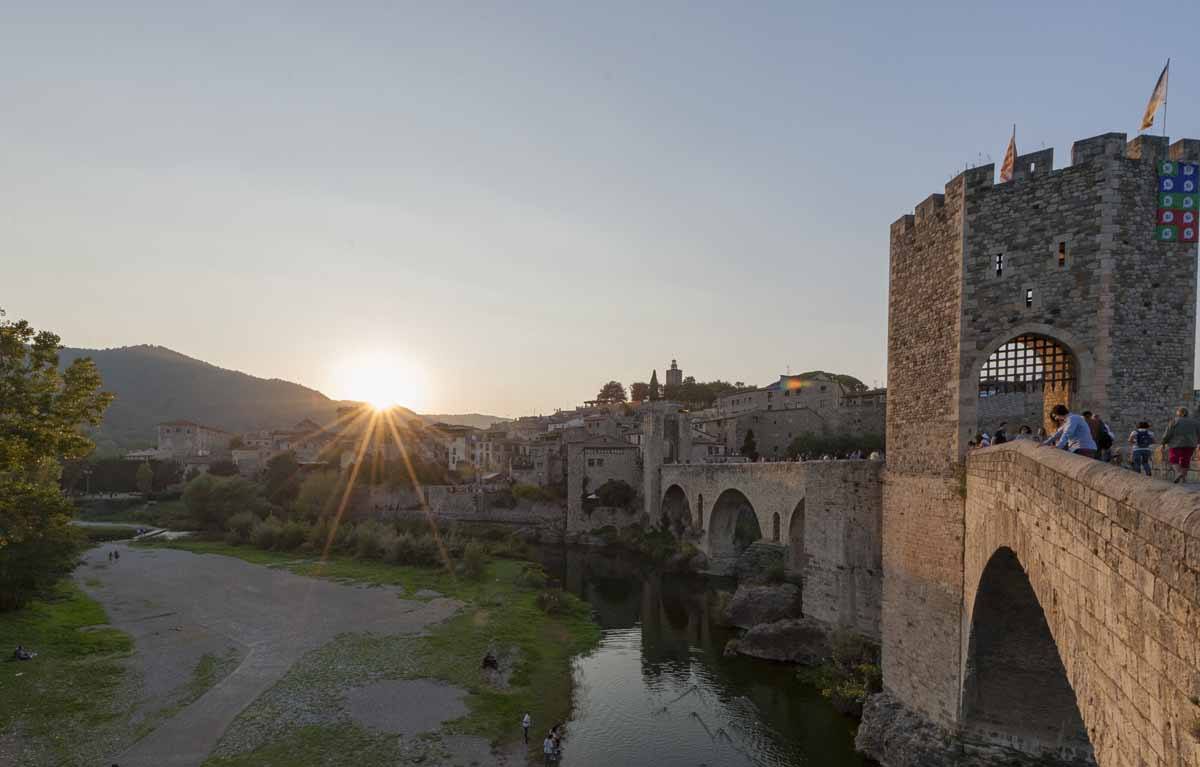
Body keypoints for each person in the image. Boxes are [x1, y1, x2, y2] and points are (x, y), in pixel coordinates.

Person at [1161, 407, 1200, 484]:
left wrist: (1163, 443)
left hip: (1176, 444)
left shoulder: (1174, 421)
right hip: (1190, 444)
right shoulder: (1195, 422)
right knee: (1185, 460)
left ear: (1178, 413)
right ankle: (1184, 479)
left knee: (1173, 458)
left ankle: (1178, 472)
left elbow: (1167, 434)